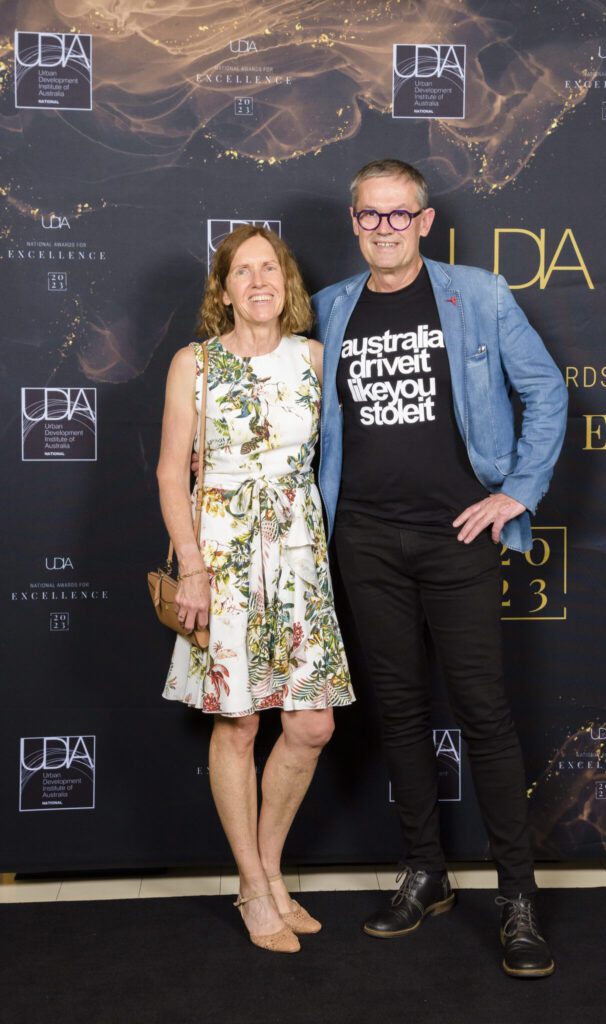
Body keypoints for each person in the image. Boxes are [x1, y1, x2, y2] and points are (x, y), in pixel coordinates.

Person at [313, 159, 567, 978]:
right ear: (354, 221)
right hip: (364, 540)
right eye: (370, 214)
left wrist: (517, 492)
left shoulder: (479, 295)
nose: (384, 228)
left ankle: (517, 897)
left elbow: (546, 391)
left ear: (424, 222)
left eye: (400, 215)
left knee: (483, 713)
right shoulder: (328, 308)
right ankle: (426, 872)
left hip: (457, 539)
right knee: (398, 711)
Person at [157, 224, 355, 955]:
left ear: (287, 282)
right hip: (224, 561)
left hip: (300, 560)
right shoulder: (195, 364)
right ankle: (252, 886)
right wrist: (192, 567)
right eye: (243, 271)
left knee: (311, 725)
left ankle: (268, 872)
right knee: (237, 724)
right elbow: (170, 472)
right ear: (224, 289)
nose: (259, 281)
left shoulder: (315, 358)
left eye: (269, 268)